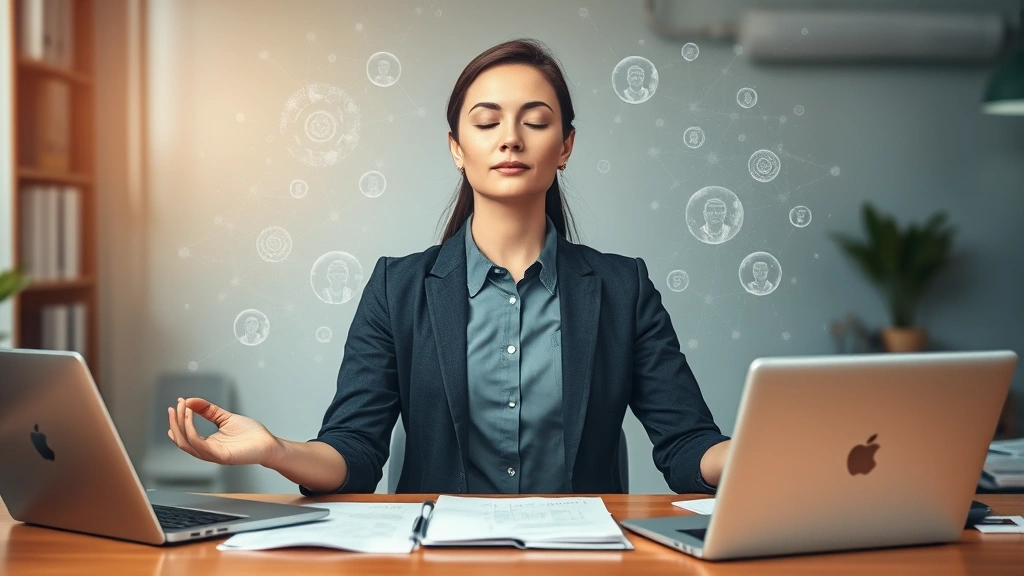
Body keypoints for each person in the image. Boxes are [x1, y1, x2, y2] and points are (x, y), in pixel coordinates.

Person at [167, 39, 731, 495]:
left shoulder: (621, 287)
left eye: (535, 121)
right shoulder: (398, 287)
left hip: (584, 557)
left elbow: (686, 447)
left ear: (565, 146)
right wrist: (276, 452)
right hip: (437, 557)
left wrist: (765, 451)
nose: (510, 138)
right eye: (486, 123)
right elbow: (356, 452)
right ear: (456, 147)